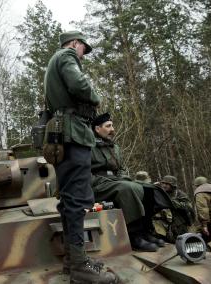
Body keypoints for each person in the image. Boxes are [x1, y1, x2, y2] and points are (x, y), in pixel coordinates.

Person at [44, 31, 117, 283]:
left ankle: (71, 260)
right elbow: (79, 85)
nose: (84, 54)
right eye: (84, 48)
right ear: (75, 43)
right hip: (74, 134)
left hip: (62, 136)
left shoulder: (52, 63)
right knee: (77, 199)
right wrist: (95, 97)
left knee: (68, 199)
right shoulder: (66, 55)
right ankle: (79, 266)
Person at [90, 113, 172, 252]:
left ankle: (146, 231)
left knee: (148, 188)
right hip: (98, 184)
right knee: (127, 189)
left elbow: (122, 168)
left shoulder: (114, 147)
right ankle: (134, 235)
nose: (112, 129)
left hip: (116, 181)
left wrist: (122, 177)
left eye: (112, 125)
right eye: (108, 126)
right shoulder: (88, 147)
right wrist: (115, 180)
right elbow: (85, 173)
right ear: (97, 129)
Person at [153, 175, 195, 243]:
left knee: (182, 241)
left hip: (178, 222)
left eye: (167, 184)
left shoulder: (179, 194)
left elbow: (189, 206)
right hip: (164, 222)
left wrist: (174, 203)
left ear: (172, 185)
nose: (164, 185)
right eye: (163, 183)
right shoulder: (160, 193)